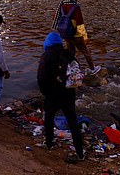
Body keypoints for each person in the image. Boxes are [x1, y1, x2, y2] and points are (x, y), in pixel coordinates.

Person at [37, 32, 85, 162]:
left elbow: (41, 78)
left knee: (49, 118)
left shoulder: (46, 56)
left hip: (52, 95)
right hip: (68, 94)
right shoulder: (68, 54)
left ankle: (49, 143)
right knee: (73, 122)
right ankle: (80, 153)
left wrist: (45, 93)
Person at [52, 0, 101, 76]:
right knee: (85, 51)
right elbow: (80, 24)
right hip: (76, 34)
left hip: (65, 33)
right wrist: (85, 37)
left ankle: (70, 69)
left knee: (71, 52)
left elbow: (56, 18)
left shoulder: (62, 4)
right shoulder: (75, 7)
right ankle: (93, 69)